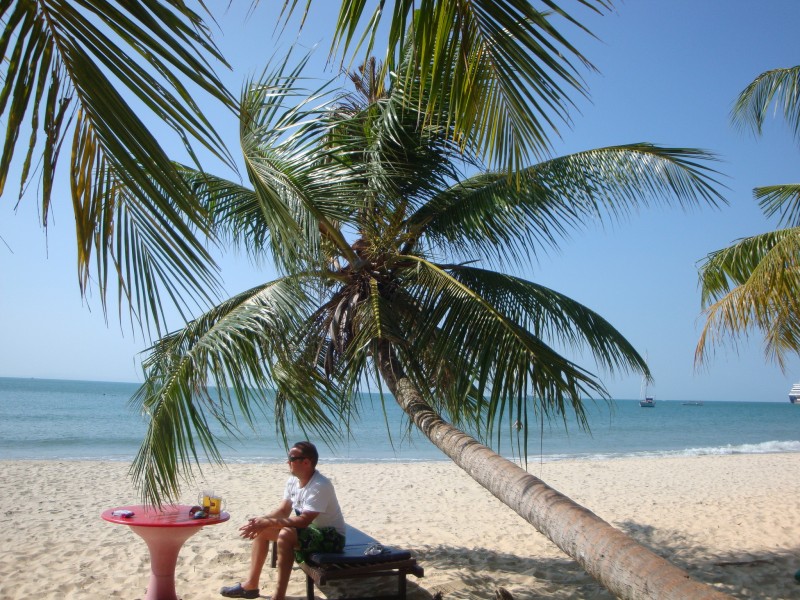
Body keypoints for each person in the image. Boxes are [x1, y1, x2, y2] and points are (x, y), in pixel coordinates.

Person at [220, 441, 346, 600]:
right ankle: (251, 586)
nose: (288, 462)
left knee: (286, 534)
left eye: (292, 458)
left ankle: (278, 597)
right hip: (310, 532)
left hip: (331, 538)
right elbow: (283, 511)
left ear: (306, 462)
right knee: (263, 530)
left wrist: (268, 522)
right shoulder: (293, 481)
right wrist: (261, 521)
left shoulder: (320, 485)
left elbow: (303, 521)